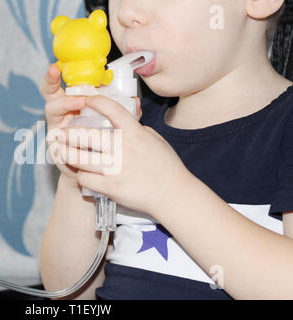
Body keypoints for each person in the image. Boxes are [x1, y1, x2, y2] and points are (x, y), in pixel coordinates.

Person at [39, 0, 293, 299]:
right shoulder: (131, 125)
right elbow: (69, 293)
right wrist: (77, 175)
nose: (125, 13)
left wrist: (167, 192)